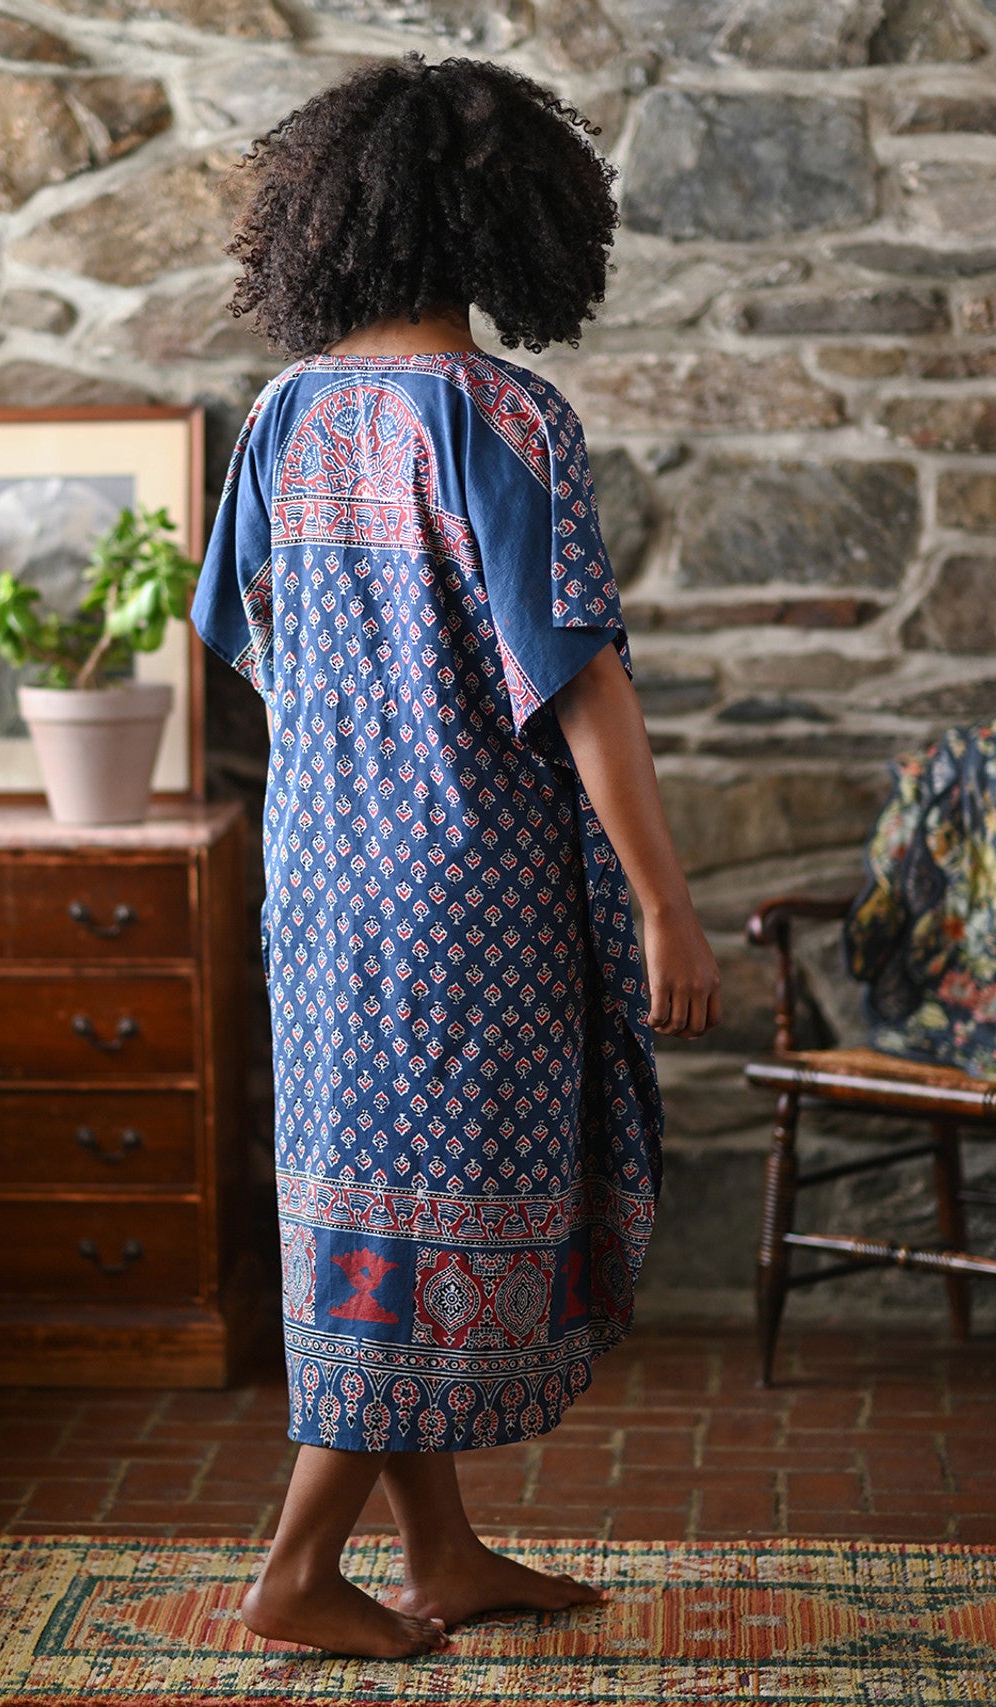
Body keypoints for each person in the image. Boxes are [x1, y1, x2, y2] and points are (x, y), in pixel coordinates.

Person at [190, 52, 721, 1661]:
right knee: (433, 1221)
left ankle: (442, 1552)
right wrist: (665, 904)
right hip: (465, 896)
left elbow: (246, 641)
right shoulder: (503, 417)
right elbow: (579, 682)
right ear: (510, 222)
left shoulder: (284, 415)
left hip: (324, 886)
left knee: (372, 1209)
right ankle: (294, 1573)